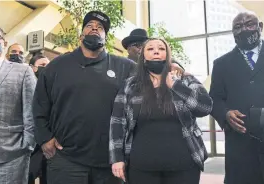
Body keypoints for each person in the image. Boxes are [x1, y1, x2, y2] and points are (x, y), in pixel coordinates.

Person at [33, 11, 136, 184]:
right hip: (66, 159)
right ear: (81, 35)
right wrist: (44, 138)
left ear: (106, 36)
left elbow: (152, 78)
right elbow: (39, 104)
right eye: (89, 26)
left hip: (111, 162)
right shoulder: (57, 66)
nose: (94, 29)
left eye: (100, 28)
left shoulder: (125, 67)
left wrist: (171, 66)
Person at [109, 38, 212, 184]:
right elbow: (117, 122)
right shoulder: (130, 85)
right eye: (150, 49)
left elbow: (205, 107)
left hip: (184, 166)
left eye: (161, 49)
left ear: (168, 55)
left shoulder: (184, 79)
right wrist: (117, 158)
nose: (156, 51)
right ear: (143, 57)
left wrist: (176, 86)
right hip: (141, 168)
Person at [209, 12, 264, 184]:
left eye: (249, 24)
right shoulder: (221, 64)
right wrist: (224, 114)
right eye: (238, 27)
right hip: (240, 145)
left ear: (260, 27)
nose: (243, 30)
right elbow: (214, 99)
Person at [0, 22, 36, 184]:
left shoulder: (22, 71)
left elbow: (31, 112)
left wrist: (26, 146)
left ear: (4, 43)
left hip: (10, 156)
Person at [28, 53, 50, 184]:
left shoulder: (52, 86)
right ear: (32, 68)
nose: (45, 68)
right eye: (42, 65)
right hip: (31, 146)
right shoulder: (27, 85)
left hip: (49, 144)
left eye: (48, 65)